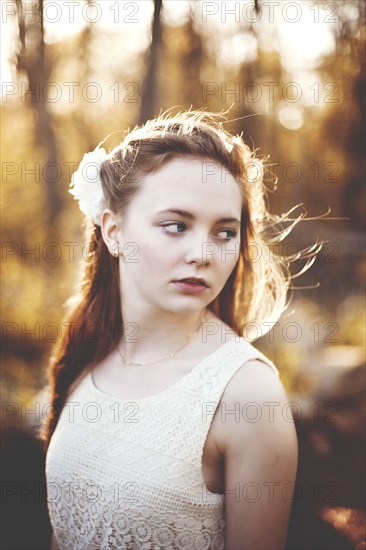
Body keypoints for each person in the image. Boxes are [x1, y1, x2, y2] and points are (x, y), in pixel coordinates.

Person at [40, 110, 300, 550]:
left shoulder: (247, 396)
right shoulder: (89, 351)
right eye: (176, 225)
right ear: (114, 231)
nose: (203, 253)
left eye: (224, 232)